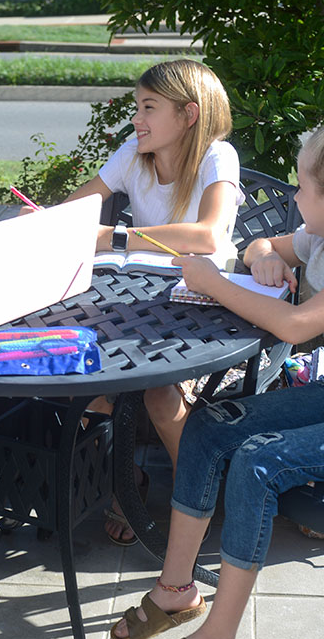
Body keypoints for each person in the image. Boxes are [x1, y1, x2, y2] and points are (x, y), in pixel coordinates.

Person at [111, 112, 324, 639]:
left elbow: (296, 326)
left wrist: (212, 282)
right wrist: (261, 255)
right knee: (211, 424)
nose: (294, 194)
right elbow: (263, 243)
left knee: (257, 462)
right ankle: (176, 589)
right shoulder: (322, 237)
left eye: (301, 185)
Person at [65, 59, 242, 545]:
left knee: (160, 397)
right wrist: (43, 220)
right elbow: (76, 211)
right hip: (140, 303)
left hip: (209, 311)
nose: (136, 119)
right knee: (88, 383)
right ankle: (125, 482)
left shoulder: (216, 157)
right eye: (138, 107)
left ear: (188, 114)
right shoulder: (134, 154)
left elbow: (207, 236)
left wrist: (115, 238)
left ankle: (199, 501)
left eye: (148, 107)